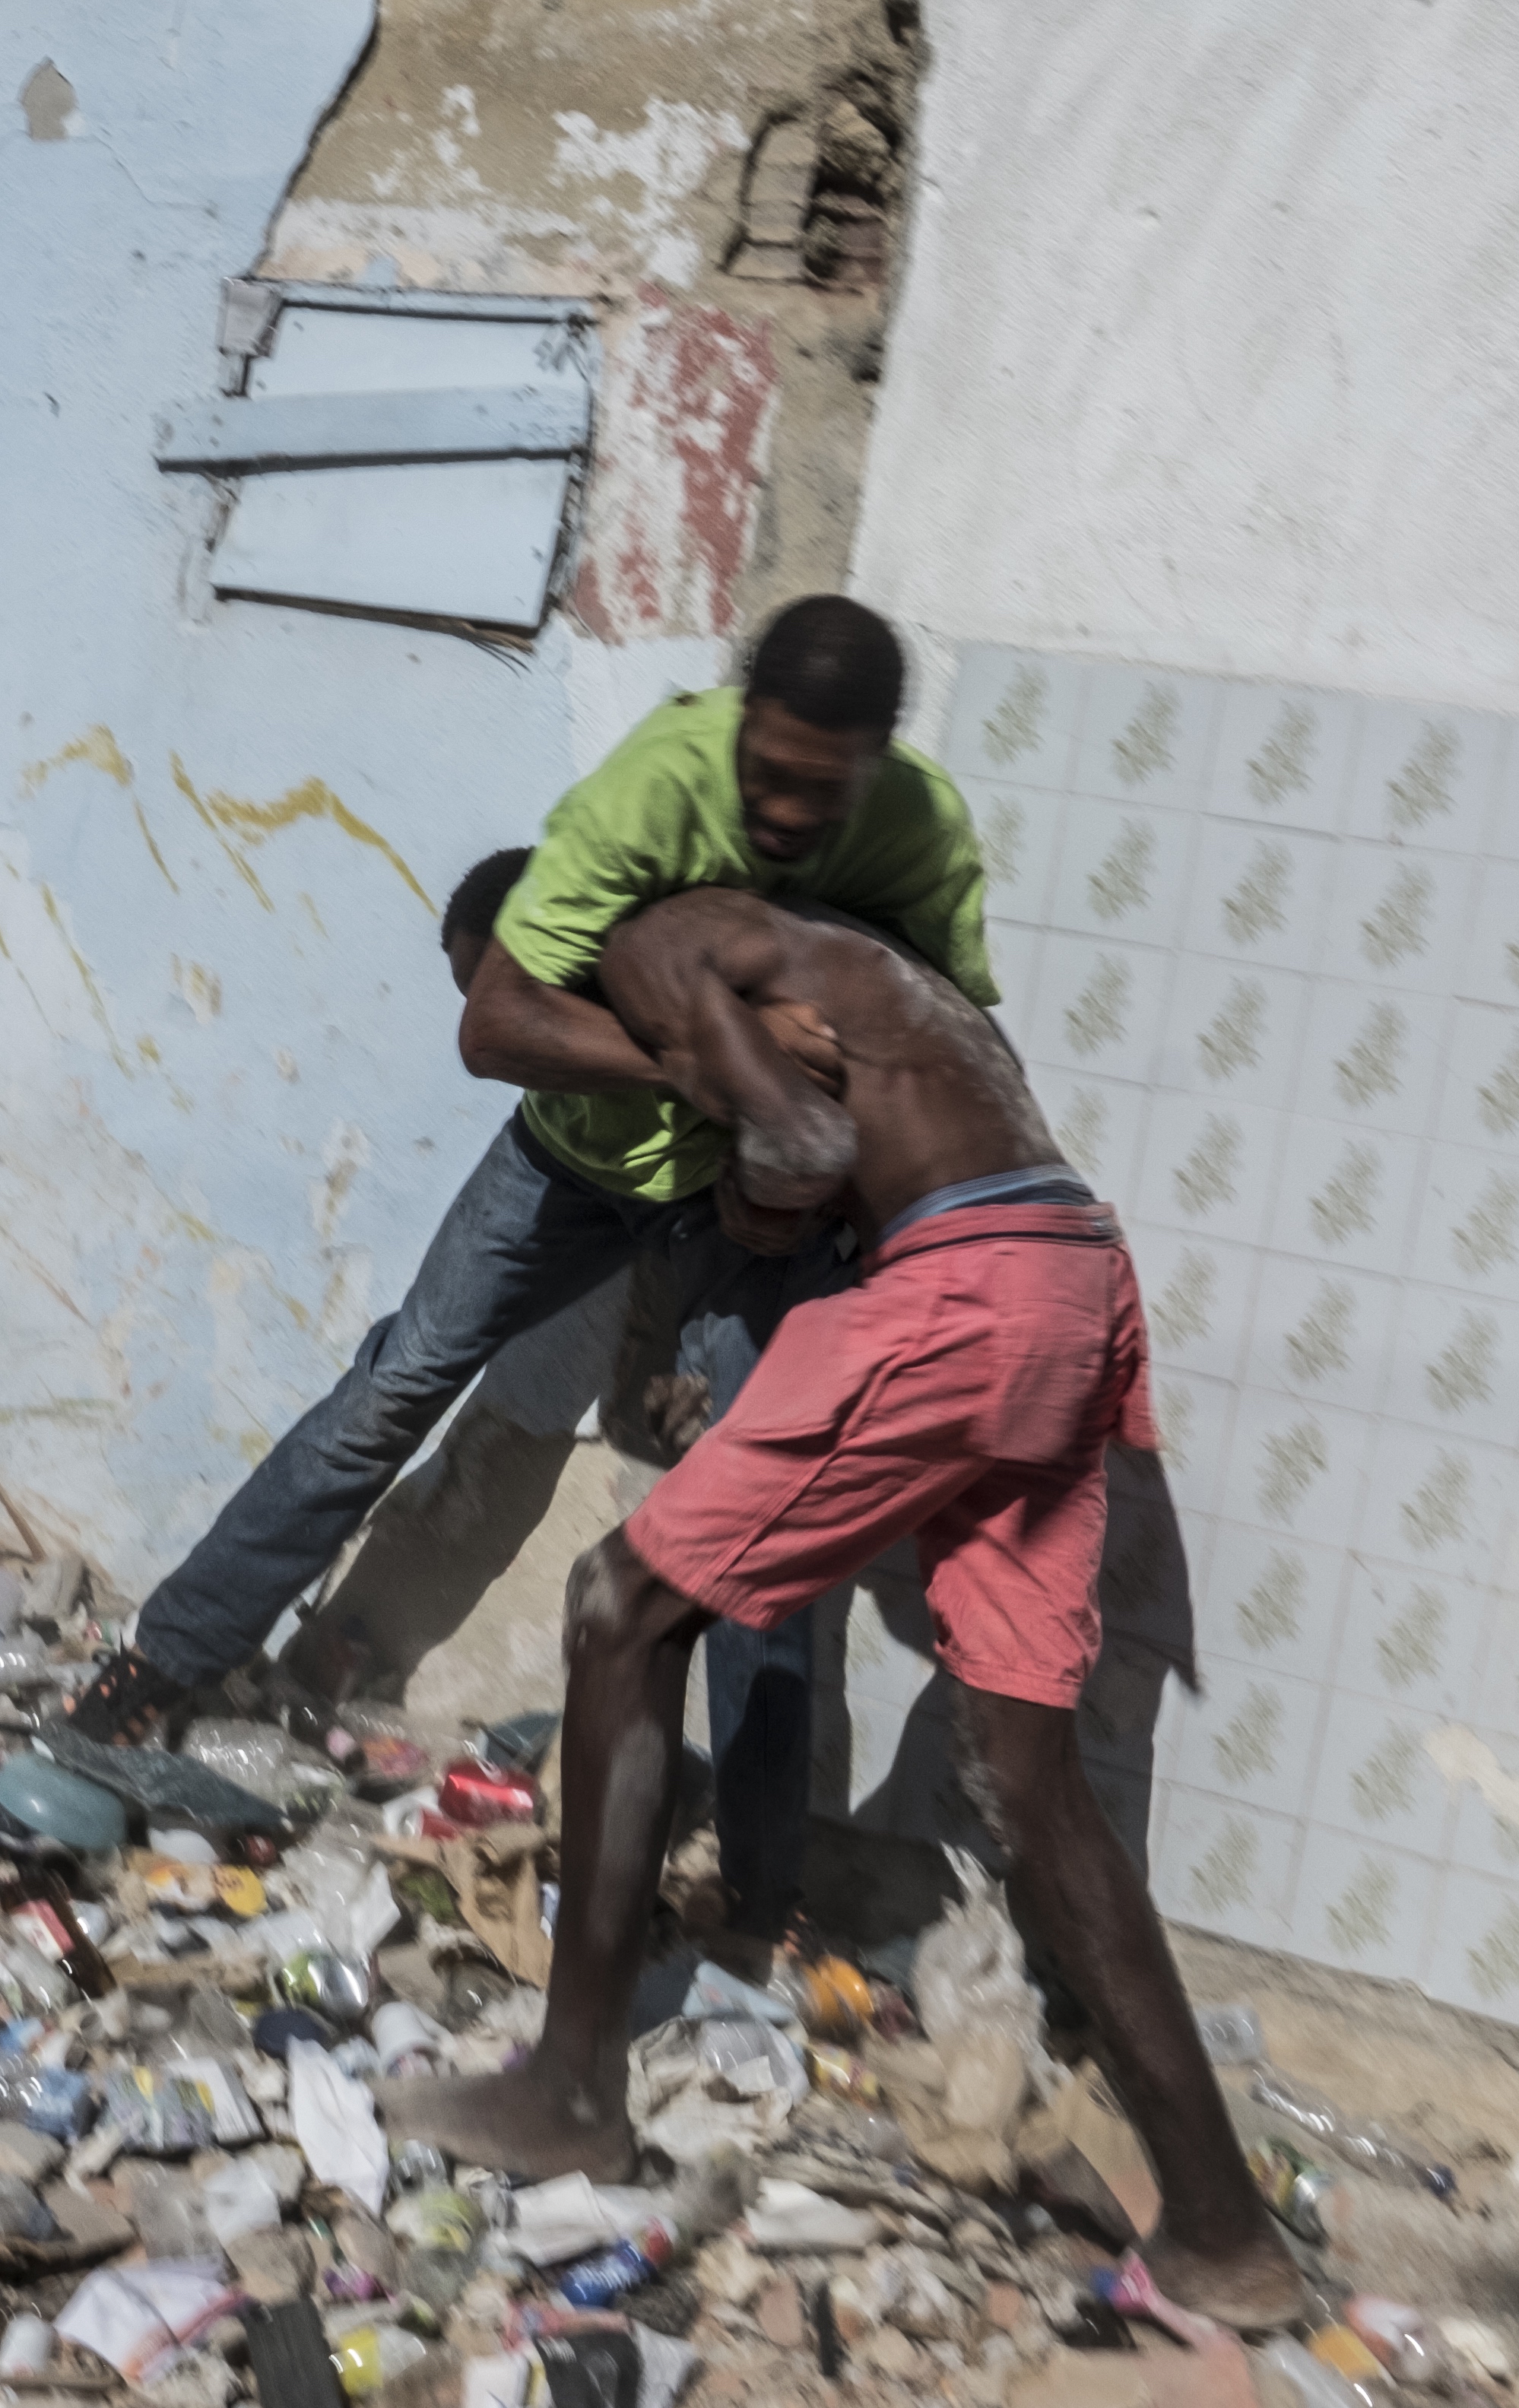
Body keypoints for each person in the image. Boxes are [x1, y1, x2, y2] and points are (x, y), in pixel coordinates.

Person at [381, 886, 1308, 2337]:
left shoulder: (664, 946)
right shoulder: (854, 976)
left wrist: (722, 1121)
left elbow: (802, 1153)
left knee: (618, 1609)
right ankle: (1223, 2232)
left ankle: (569, 2090)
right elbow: (817, 1145)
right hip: (1069, 1280)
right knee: (1028, 1777)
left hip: (962, 1286)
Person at [68, 596, 994, 1938]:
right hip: (575, 1159)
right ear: (738, 726)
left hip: (751, 1205)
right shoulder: (653, 791)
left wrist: (835, 1146)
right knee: (396, 1389)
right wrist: (693, 1064)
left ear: (881, 761)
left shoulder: (920, 833)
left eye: (826, 791)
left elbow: (943, 1036)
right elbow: (497, 1025)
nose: (790, 813)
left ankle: (761, 1886)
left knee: (761, 1503)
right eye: (770, 780)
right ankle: (167, 1658)